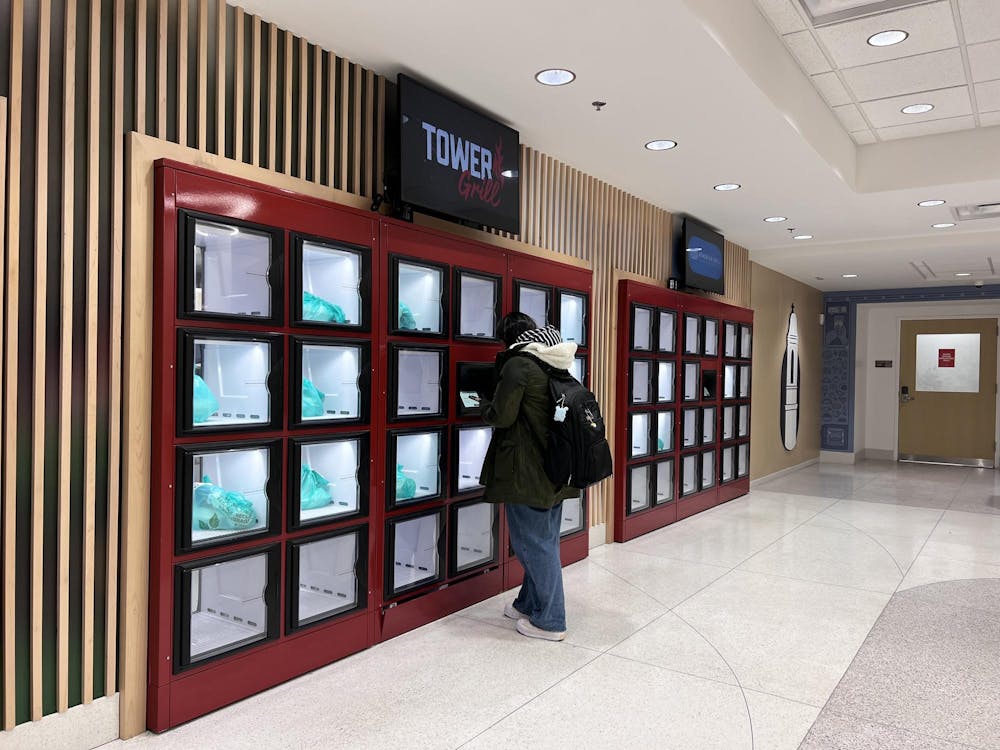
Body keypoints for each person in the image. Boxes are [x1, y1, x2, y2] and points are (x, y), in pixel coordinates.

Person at [479, 312, 579, 641]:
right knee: (542, 541)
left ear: (507, 339)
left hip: (526, 472)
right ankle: (528, 604)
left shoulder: (518, 364)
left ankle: (551, 620)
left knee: (532, 544)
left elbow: (503, 415)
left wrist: (482, 405)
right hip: (556, 469)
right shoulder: (555, 360)